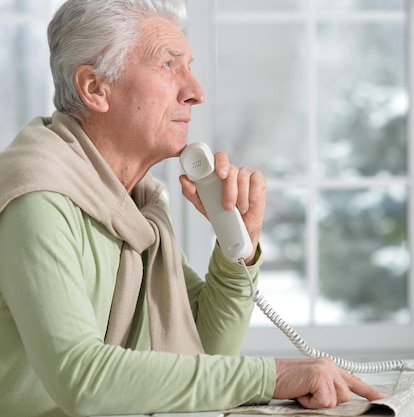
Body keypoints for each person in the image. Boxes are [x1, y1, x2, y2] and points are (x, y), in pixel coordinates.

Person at [0, 1, 384, 416]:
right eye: (168, 65)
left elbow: (204, 347)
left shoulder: (135, 203)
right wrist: (271, 376)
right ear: (95, 88)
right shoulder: (38, 197)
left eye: (189, 66)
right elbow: (81, 379)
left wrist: (238, 245)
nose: (195, 92)